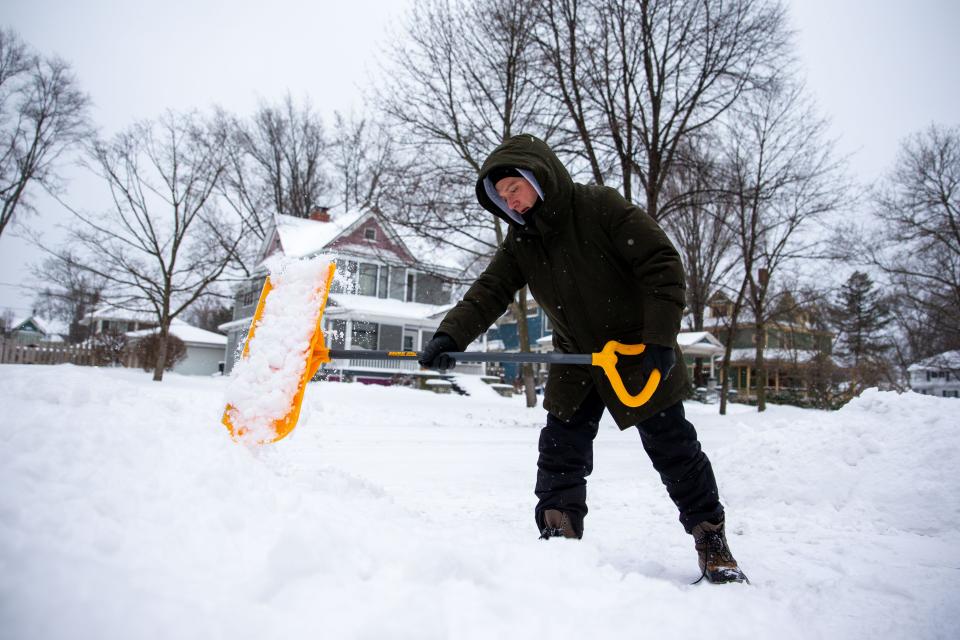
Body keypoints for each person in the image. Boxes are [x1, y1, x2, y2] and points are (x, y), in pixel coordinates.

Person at [418, 134, 747, 584]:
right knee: (560, 449)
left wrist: (659, 339)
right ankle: (559, 537)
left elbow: (662, 264)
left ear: (537, 176)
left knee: (674, 449)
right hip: (577, 356)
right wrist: (448, 335)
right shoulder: (522, 241)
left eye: (513, 188)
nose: (510, 201)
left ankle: (712, 541)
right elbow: (490, 290)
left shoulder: (599, 207)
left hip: (635, 352)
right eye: (501, 197)